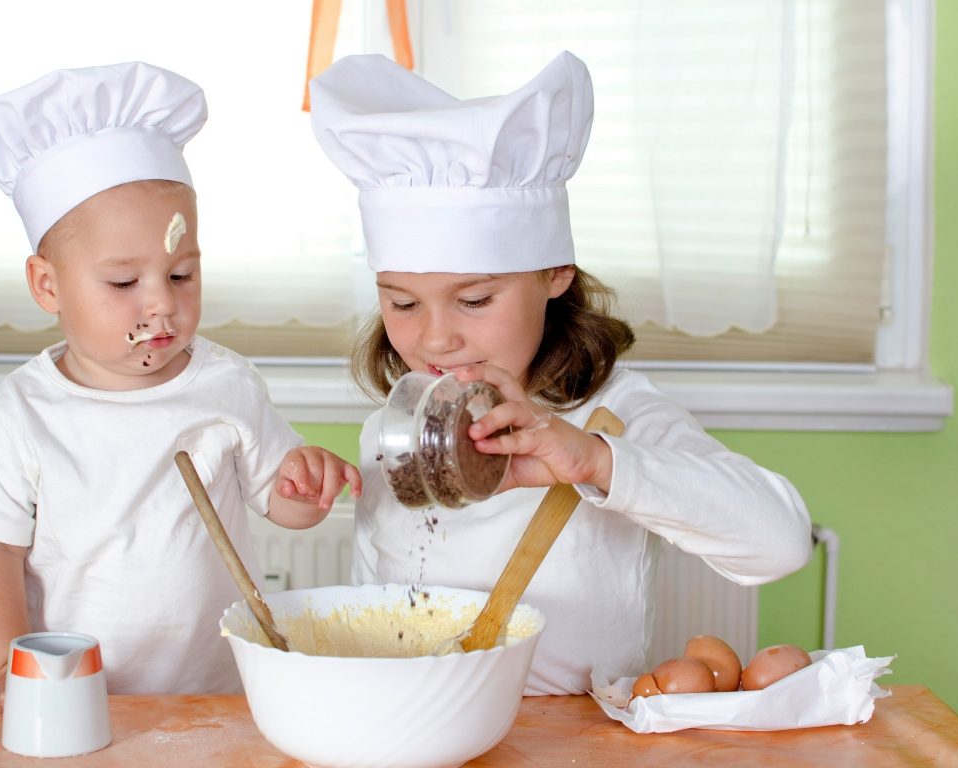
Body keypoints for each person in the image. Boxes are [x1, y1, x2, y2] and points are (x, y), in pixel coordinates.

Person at [309, 52, 814, 695]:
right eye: (402, 302)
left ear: (554, 274)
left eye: (475, 300)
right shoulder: (394, 429)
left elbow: (781, 542)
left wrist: (594, 461)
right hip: (418, 727)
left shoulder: (617, 415)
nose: (435, 337)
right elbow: (376, 600)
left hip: (567, 741)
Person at [0, 62, 361, 698]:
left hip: (218, 692)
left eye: (182, 274)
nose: (161, 304)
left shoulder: (227, 385)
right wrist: (11, 668)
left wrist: (306, 488)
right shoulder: (25, 410)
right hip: (82, 694)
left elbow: (280, 502)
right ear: (46, 285)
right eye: (122, 282)